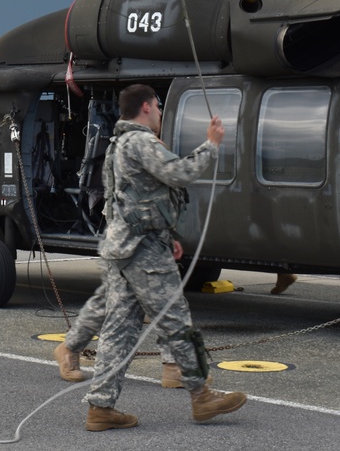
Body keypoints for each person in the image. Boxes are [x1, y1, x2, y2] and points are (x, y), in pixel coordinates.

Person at [82, 84, 246, 432]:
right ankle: (202, 396)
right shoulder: (141, 142)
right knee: (176, 321)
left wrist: (166, 235)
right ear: (145, 107)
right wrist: (212, 143)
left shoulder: (116, 145)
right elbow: (178, 174)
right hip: (143, 252)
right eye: (158, 106)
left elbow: (130, 199)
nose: (160, 113)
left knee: (119, 328)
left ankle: (100, 407)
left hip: (123, 247)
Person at [53, 237, 212, 389]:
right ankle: (71, 347)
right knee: (117, 299)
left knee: (164, 295)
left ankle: (174, 366)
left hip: (153, 230)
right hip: (127, 230)